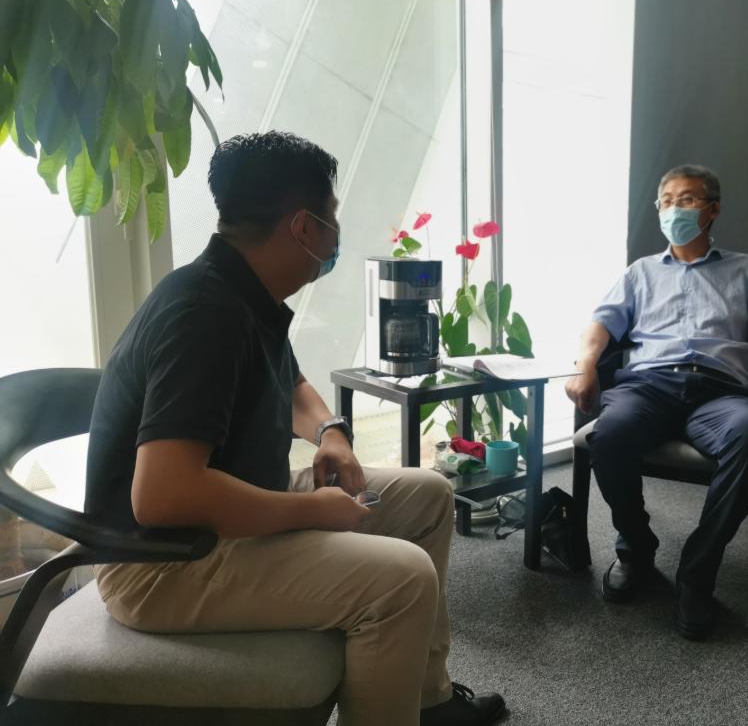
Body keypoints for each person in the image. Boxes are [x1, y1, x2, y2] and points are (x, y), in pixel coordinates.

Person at [85, 131, 506, 726]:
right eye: (332, 218)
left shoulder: (241, 289)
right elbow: (161, 496)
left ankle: (426, 701)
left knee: (430, 495)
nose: (336, 235)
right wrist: (311, 510)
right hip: (161, 565)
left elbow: (292, 384)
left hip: (223, 515)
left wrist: (331, 432)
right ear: (304, 227)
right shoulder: (204, 314)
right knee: (402, 581)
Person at [564, 164, 748, 640]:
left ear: (712, 210)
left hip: (720, 392)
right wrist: (585, 363)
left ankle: (697, 573)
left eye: (687, 200)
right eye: (667, 201)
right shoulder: (640, 272)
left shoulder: (747, 270)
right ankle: (636, 546)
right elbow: (600, 324)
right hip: (649, 386)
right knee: (608, 435)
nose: (674, 209)